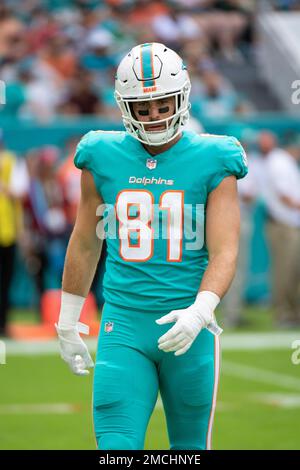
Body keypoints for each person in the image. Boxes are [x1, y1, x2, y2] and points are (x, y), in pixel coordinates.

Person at [56, 42, 248, 450]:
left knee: (190, 448)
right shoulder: (101, 154)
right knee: (116, 447)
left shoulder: (216, 158)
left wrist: (200, 312)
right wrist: (68, 319)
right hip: (123, 324)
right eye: (143, 108)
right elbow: (86, 241)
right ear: (125, 107)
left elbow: (226, 249)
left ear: (182, 96)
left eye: (163, 104)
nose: (155, 115)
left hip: (189, 327)